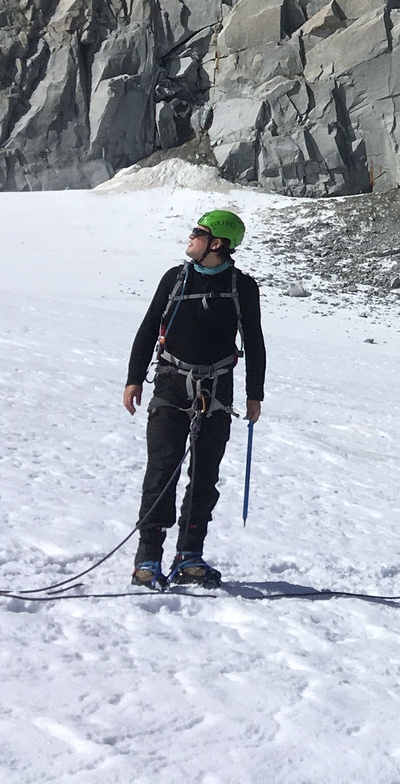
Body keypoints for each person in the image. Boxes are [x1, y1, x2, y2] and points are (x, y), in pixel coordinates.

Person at [122, 209, 265, 589]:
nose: (190, 239)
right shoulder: (175, 278)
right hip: (170, 385)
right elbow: (150, 327)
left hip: (217, 391)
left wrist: (255, 395)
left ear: (217, 243)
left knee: (204, 477)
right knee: (161, 473)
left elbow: (254, 340)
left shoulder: (242, 287)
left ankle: (189, 556)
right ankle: (148, 559)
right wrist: (134, 379)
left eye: (197, 233)